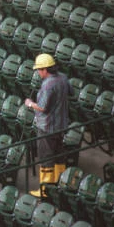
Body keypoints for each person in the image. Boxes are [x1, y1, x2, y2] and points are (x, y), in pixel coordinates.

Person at [24, 53, 72, 197]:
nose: (38, 73)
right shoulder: (63, 78)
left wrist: (30, 104)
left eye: (39, 70)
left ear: (45, 69)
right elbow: (71, 92)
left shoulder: (47, 85)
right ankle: (60, 184)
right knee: (59, 155)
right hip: (61, 125)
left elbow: (43, 107)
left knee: (46, 158)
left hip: (47, 127)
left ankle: (45, 191)